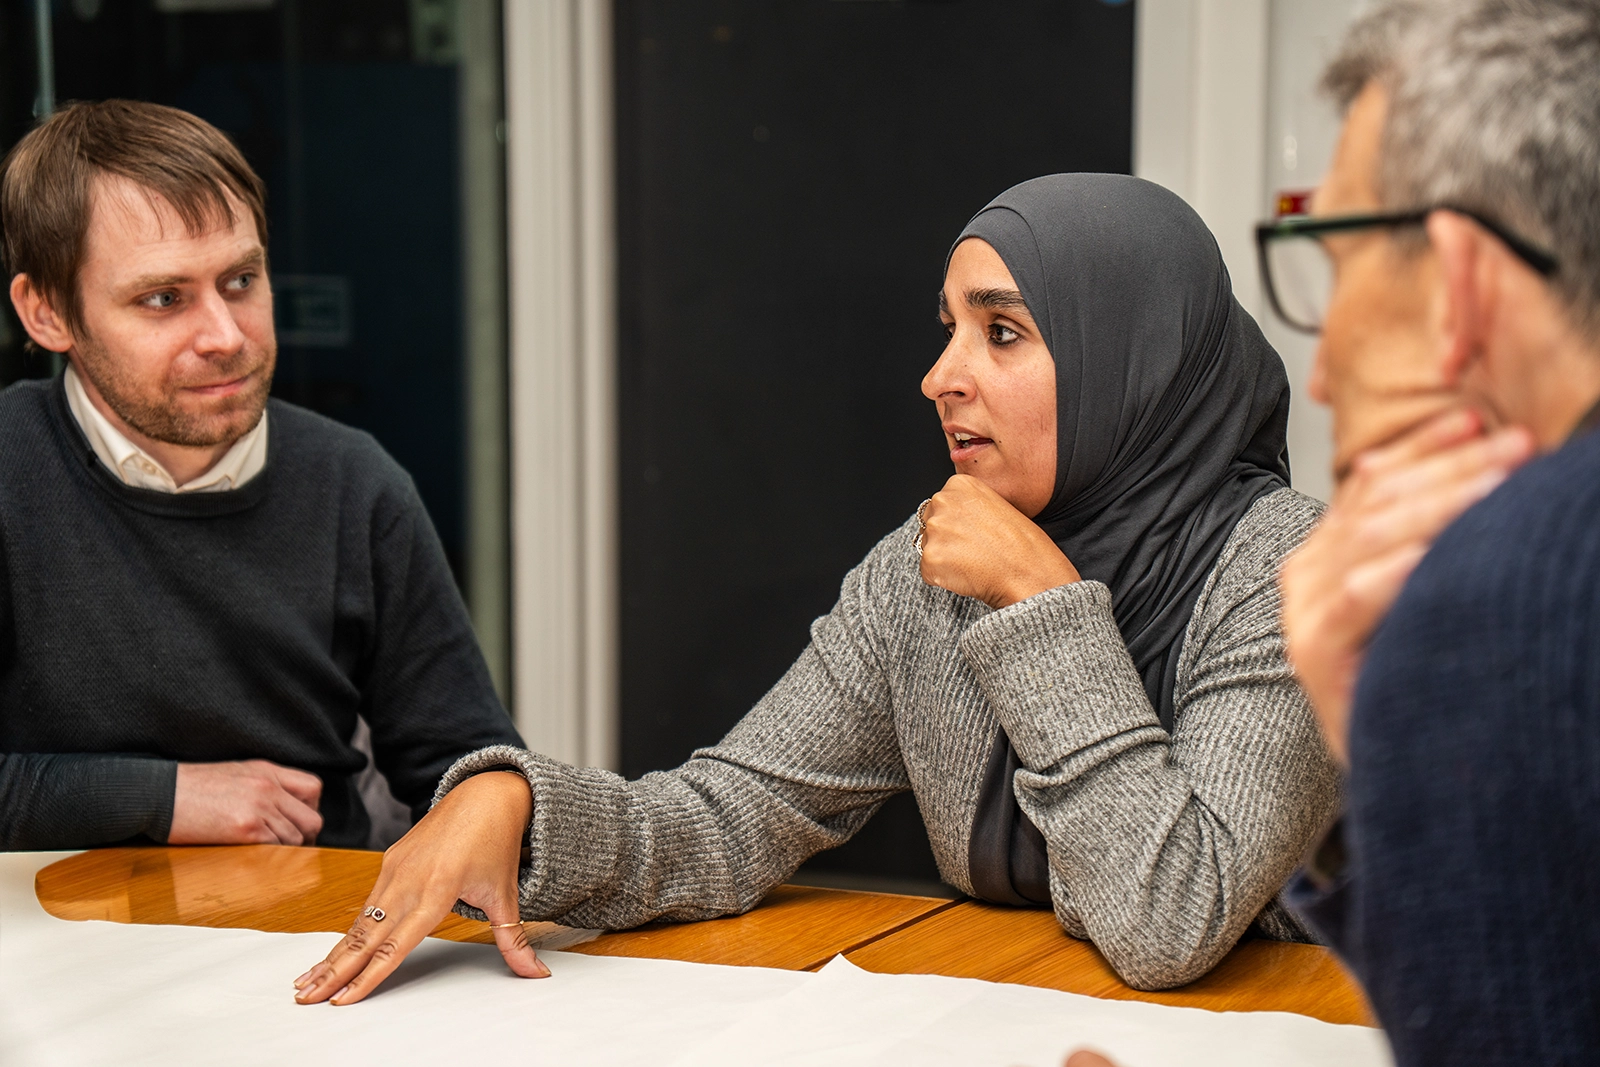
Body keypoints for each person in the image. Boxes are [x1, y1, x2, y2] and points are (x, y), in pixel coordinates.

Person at [294, 173, 1341, 1006]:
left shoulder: (1285, 566)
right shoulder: (926, 569)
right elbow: (732, 813)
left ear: (1137, 359)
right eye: (946, 328)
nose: (941, 375)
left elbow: (1172, 918)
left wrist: (1041, 606)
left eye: (1002, 331)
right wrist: (519, 808)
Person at [0, 100, 522, 851]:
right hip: (57, 944)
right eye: (163, 298)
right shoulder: (11, 471)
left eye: (241, 280)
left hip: (308, 935)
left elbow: (468, 767)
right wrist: (164, 798)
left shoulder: (356, 484)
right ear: (48, 314)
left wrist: (495, 803)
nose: (225, 335)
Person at [1264, 0, 1600, 1062]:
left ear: (1455, 282)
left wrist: (1424, 689)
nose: (1315, 371)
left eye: (1338, 260)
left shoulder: (1490, 597)